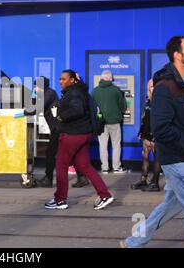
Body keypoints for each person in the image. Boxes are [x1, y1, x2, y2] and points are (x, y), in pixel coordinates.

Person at [121, 36, 184, 248]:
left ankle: (134, 242)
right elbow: (161, 128)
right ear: (177, 55)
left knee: (171, 206)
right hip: (176, 157)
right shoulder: (165, 87)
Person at [44, 70, 114, 210]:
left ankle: (60, 199)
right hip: (83, 134)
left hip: (72, 134)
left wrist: (61, 116)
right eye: (60, 79)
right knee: (84, 165)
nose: (61, 81)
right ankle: (104, 195)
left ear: (73, 80)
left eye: (64, 79)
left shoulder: (74, 93)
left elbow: (77, 110)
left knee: (61, 164)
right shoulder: (80, 91)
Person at [91, 70, 127, 174]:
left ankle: (105, 168)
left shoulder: (95, 91)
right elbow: (123, 106)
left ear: (101, 78)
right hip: (114, 121)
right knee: (116, 144)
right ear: (111, 78)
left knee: (103, 145)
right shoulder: (116, 90)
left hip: (100, 122)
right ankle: (116, 167)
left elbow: (92, 107)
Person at [130, 79, 161, 192]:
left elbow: (159, 120)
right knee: (145, 158)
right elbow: (145, 118)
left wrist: (153, 136)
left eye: (152, 86)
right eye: (149, 86)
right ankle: (143, 181)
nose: (150, 88)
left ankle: (155, 183)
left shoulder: (160, 101)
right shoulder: (148, 101)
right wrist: (141, 132)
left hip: (156, 136)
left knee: (157, 159)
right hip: (146, 135)